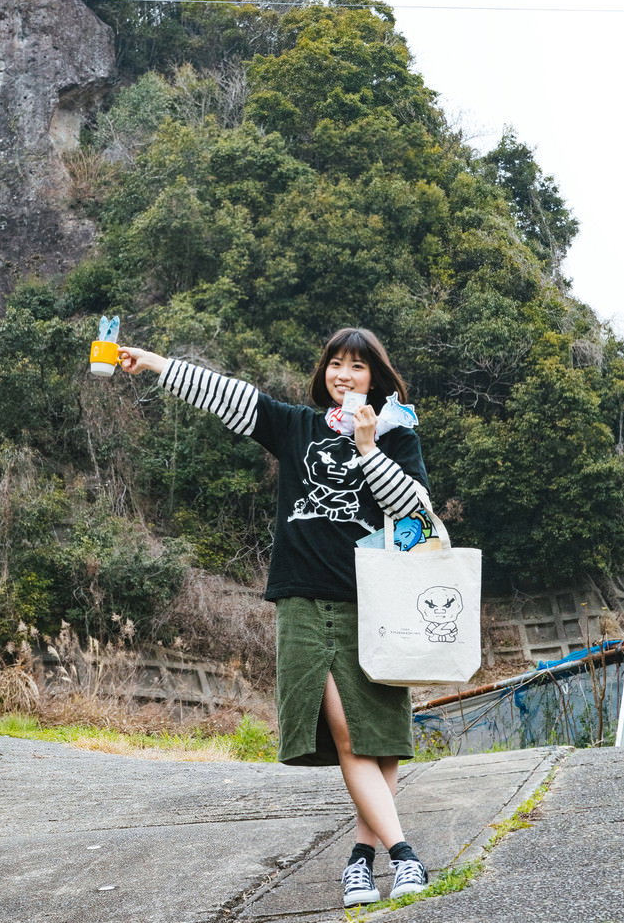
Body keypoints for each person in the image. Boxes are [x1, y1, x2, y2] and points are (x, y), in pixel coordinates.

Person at [118, 326, 430, 906]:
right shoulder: (297, 427)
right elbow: (228, 395)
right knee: (347, 733)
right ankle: (405, 855)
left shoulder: (396, 434)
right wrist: (156, 362)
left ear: (376, 377)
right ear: (324, 371)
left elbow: (411, 510)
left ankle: (360, 861)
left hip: (374, 602)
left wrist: (368, 449)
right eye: (335, 363)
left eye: (357, 366)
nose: (344, 375)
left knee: (378, 739)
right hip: (303, 597)